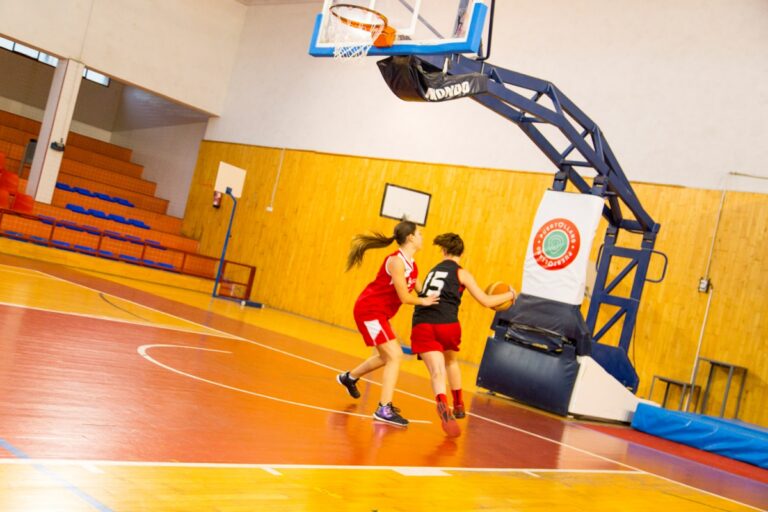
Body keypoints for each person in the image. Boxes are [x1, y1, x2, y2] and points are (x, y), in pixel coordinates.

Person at [336, 220, 439, 427]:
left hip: (380, 314)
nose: (422, 237)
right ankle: (384, 408)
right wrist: (424, 301)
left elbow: (423, 293)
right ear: (410, 237)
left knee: (386, 356)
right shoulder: (396, 262)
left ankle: (349, 378)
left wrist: (440, 302)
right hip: (369, 310)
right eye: (419, 233)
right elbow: (405, 297)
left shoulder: (413, 265)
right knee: (395, 355)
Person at [411, 233, 516, 437]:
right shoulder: (462, 274)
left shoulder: (433, 271)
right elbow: (486, 301)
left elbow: (422, 293)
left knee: (436, 372)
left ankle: (443, 404)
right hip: (448, 324)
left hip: (423, 323)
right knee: (450, 362)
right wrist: (511, 294)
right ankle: (458, 404)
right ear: (461, 253)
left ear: (443, 251)